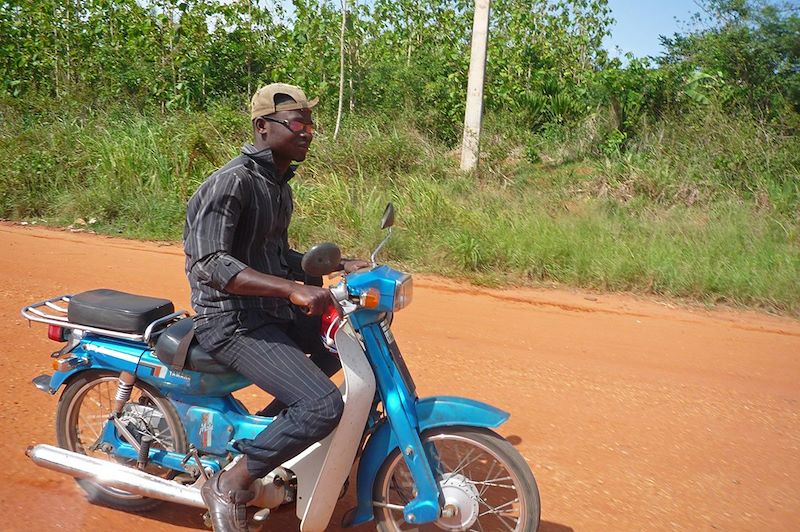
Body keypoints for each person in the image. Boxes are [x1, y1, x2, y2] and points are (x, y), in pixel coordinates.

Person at [183, 83, 368, 532]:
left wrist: (338, 266)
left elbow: (273, 254)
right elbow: (211, 263)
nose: (308, 132)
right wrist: (290, 290)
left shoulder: (277, 185)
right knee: (323, 406)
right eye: (298, 123)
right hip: (229, 320)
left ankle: (270, 435)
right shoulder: (231, 183)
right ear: (263, 127)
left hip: (266, 311)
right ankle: (230, 483)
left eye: (311, 124)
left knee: (345, 345)